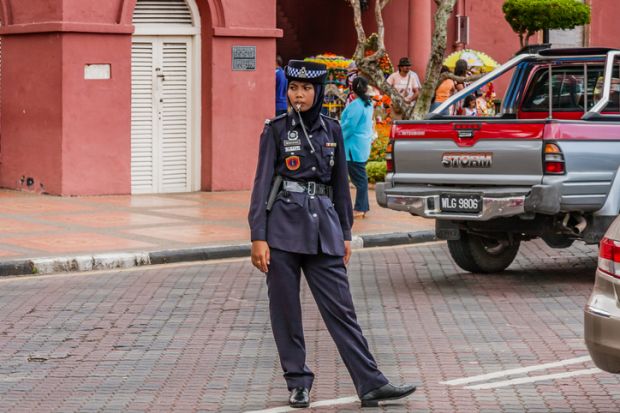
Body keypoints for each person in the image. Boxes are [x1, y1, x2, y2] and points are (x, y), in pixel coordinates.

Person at [248, 60, 416, 409]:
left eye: (306, 89)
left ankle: (370, 383)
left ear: (318, 92)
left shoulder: (332, 129)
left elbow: (340, 187)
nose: (299, 94)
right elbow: (262, 183)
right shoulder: (276, 130)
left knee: (342, 310)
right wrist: (258, 236)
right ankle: (298, 383)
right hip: (281, 231)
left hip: (323, 230)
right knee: (286, 311)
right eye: (294, 88)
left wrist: (345, 233)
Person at [341, 77, 374, 219]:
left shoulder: (355, 105)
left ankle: (360, 208)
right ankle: (363, 207)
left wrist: (336, 135)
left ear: (353, 90)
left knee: (360, 180)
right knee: (361, 178)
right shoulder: (368, 104)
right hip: (362, 145)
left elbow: (349, 127)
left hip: (352, 147)